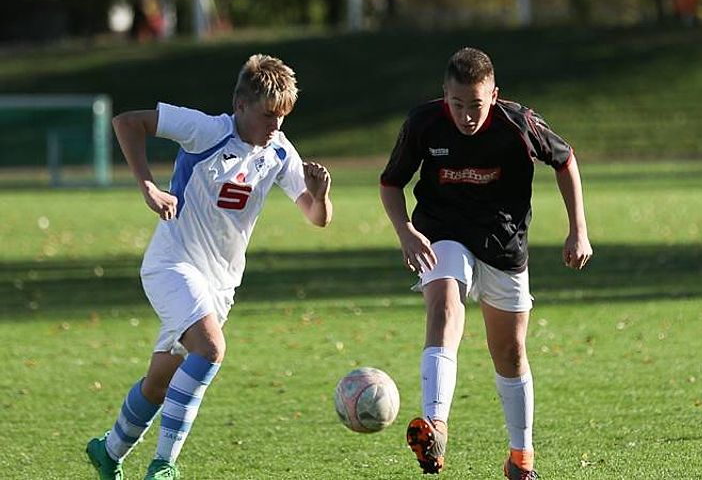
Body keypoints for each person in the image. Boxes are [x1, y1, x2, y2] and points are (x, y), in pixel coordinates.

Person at [85, 54, 332, 480]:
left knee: (159, 383)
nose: (275, 125)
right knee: (211, 349)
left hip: (220, 286)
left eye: (283, 116)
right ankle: (164, 465)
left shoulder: (278, 150)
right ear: (240, 105)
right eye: (268, 115)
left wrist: (320, 195)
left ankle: (108, 453)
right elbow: (127, 122)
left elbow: (316, 216)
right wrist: (148, 187)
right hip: (172, 264)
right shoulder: (207, 130)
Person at [380, 47, 592, 479]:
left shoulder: (518, 123)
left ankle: (521, 459)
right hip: (442, 232)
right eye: (457, 104)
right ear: (445, 94)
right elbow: (390, 183)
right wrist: (405, 231)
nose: (466, 115)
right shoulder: (424, 123)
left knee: (510, 353)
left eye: (475, 105)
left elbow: (565, 161)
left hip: (503, 240)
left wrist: (579, 230)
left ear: (494, 95)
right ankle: (436, 427)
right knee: (444, 307)